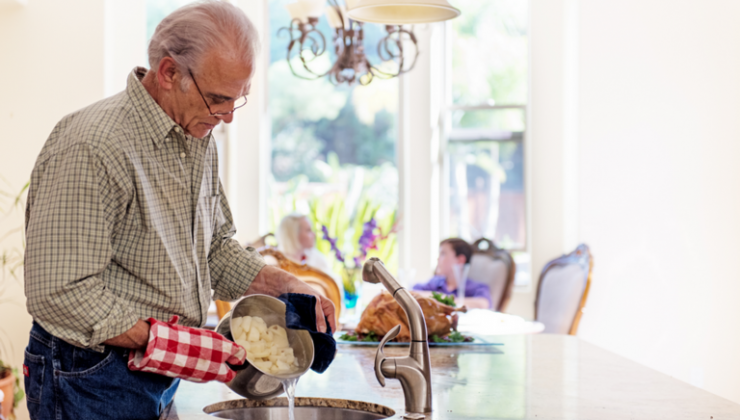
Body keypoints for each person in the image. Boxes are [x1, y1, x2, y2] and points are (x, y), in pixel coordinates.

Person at [22, 3, 335, 419]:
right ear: (169, 73)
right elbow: (61, 291)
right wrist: (174, 345)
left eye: (237, 100)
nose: (227, 117)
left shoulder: (195, 134)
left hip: (156, 371)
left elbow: (215, 248)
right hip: (88, 374)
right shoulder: (93, 146)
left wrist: (287, 284)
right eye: (218, 99)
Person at [413, 238, 492, 309]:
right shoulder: (435, 283)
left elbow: (483, 304)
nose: (438, 258)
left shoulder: (475, 288)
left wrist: (445, 299)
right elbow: (412, 293)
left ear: (460, 260)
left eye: (443, 253)